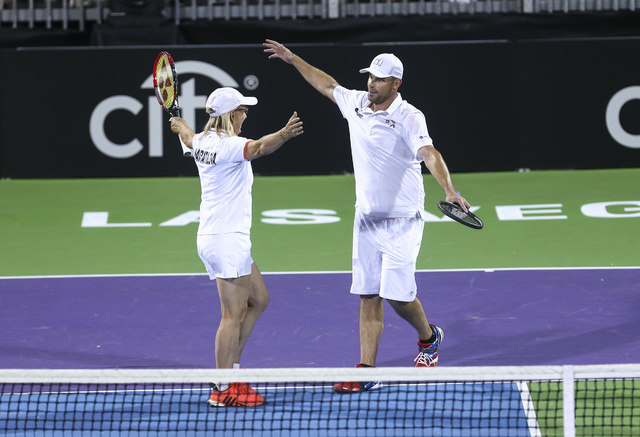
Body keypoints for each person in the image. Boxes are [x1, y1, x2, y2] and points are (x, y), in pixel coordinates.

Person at [263, 40, 470, 393]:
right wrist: (293, 58)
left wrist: (449, 190)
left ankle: (428, 337)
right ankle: (366, 370)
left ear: (396, 84)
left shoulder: (410, 116)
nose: (372, 83)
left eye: (380, 79)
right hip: (366, 220)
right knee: (368, 294)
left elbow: (429, 153)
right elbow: (327, 85)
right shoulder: (356, 103)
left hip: (403, 220)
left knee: (398, 297)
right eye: (370, 77)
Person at [170, 87, 303, 406]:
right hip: (226, 239)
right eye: (243, 111)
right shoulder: (229, 146)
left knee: (259, 299)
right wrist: (284, 134)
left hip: (221, 237)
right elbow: (259, 147)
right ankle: (222, 388)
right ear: (232, 115)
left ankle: (232, 372)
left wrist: (180, 125)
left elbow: (188, 137)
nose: (245, 115)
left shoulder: (201, 141)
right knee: (231, 315)